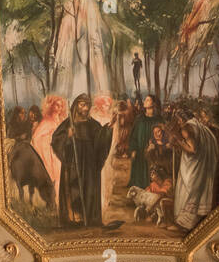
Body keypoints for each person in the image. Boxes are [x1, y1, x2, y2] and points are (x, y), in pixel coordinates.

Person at [51, 94, 114, 228]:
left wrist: (108, 130)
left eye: (87, 105)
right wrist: (67, 136)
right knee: (72, 188)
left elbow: (100, 139)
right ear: (76, 106)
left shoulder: (92, 124)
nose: (86, 108)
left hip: (89, 162)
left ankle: (89, 219)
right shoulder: (68, 123)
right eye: (82, 105)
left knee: (89, 188)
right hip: (73, 162)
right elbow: (56, 139)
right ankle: (73, 219)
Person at [168, 113, 219, 230]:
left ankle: (184, 223)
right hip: (201, 164)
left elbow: (192, 149)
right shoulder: (197, 125)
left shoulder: (186, 128)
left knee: (187, 190)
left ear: (181, 119)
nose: (177, 123)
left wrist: (178, 142)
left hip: (194, 167)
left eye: (177, 120)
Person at [127, 95, 163, 189]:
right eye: (145, 99)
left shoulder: (159, 120)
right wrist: (133, 149)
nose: (144, 101)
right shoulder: (139, 119)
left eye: (148, 100)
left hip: (153, 152)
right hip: (140, 151)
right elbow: (134, 136)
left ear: (153, 103)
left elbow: (164, 136)